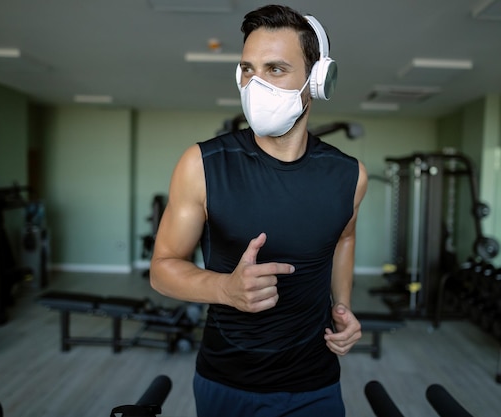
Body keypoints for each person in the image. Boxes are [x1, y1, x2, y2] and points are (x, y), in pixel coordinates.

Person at [150, 4, 368, 417]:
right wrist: (224, 290)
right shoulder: (201, 165)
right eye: (248, 69)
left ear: (317, 81)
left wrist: (343, 307)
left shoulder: (350, 175)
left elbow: (344, 238)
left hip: (314, 381)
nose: (255, 83)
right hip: (227, 381)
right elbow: (162, 268)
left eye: (275, 69)